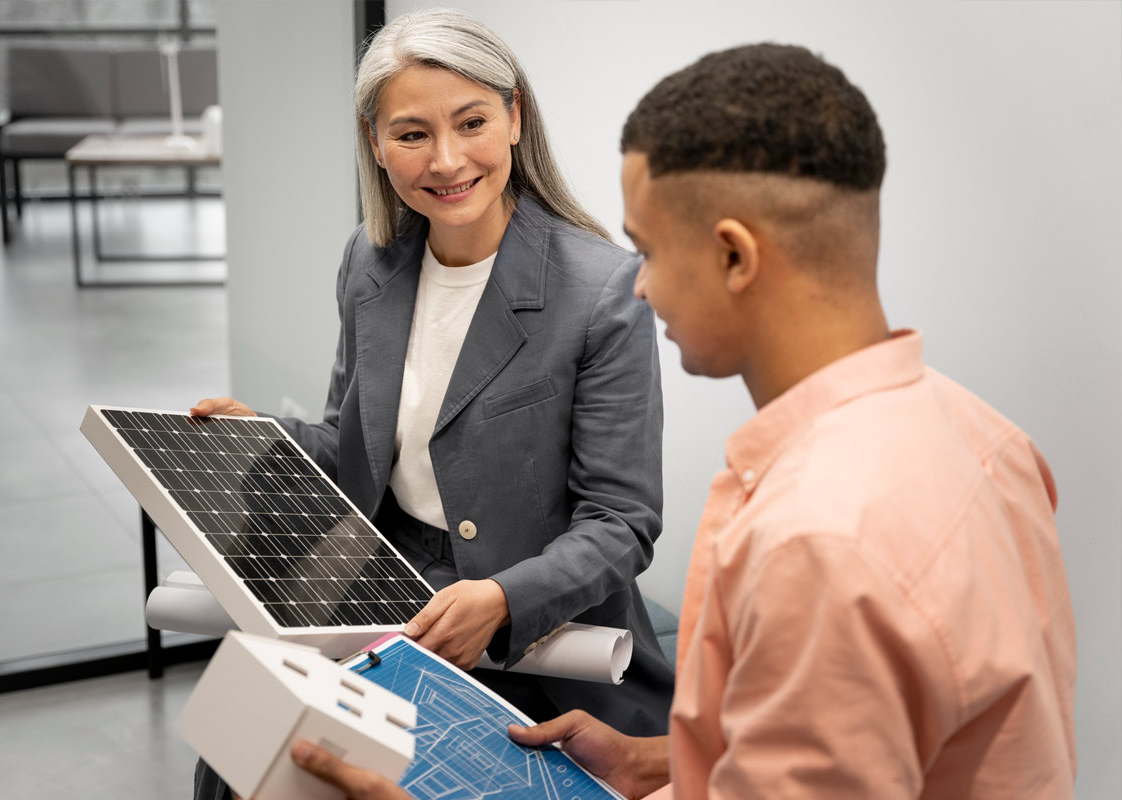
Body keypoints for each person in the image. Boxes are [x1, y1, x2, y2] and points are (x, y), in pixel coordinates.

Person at [289, 42, 1077, 800]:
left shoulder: (815, 541)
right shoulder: (988, 441)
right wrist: (662, 765)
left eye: (650, 253)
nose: (638, 289)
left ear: (735, 257)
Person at [191, 9, 675, 799]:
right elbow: (358, 453)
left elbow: (620, 523)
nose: (446, 161)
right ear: (375, 145)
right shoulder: (370, 260)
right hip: (386, 589)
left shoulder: (601, 291)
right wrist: (268, 437)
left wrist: (501, 598)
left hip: (537, 641)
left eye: (472, 122)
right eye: (411, 134)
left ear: (515, 117)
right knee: (238, 752)